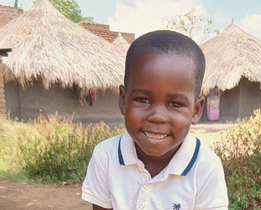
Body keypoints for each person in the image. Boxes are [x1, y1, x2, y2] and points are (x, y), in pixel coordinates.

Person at [81, 30, 229, 210]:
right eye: (143, 100)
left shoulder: (206, 167)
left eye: (175, 104)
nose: (157, 117)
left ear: (196, 111)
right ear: (123, 100)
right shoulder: (106, 156)